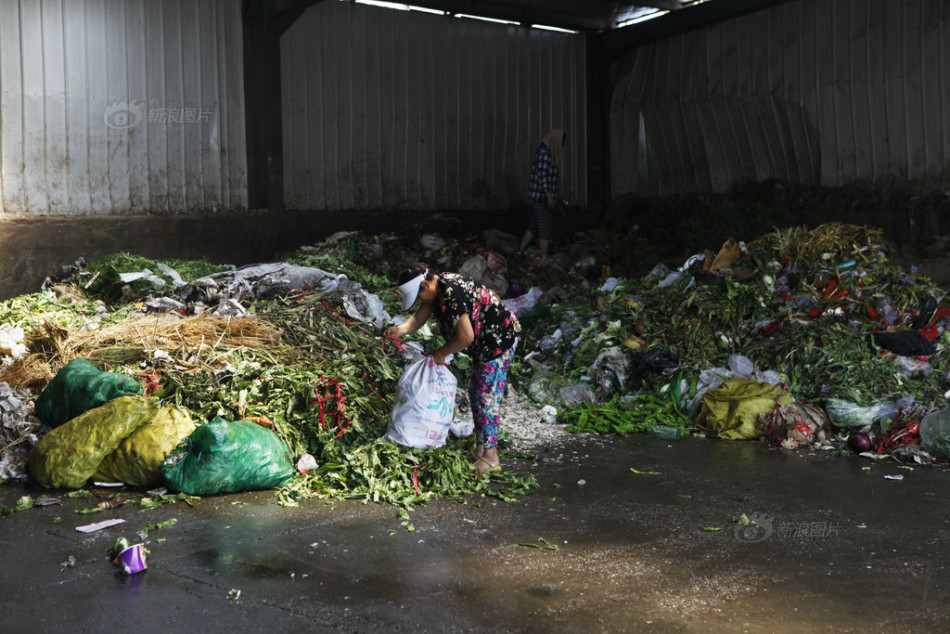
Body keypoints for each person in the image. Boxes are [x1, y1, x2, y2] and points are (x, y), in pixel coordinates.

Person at [385, 263, 521, 474]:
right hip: (482, 344)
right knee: (476, 392)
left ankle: (492, 457)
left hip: (498, 340)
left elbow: (466, 337)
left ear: (424, 284)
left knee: (486, 396)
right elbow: (417, 319)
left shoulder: (450, 293)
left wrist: (441, 353)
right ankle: (481, 449)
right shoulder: (435, 291)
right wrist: (399, 330)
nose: (419, 301)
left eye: (418, 296)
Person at [519, 129, 566, 260]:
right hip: (542, 199)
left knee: (534, 226)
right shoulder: (545, 154)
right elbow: (543, 177)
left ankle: (520, 251)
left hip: (540, 198)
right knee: (545, 229)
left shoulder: (546, 153)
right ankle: (543, 259)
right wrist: (550, 197)